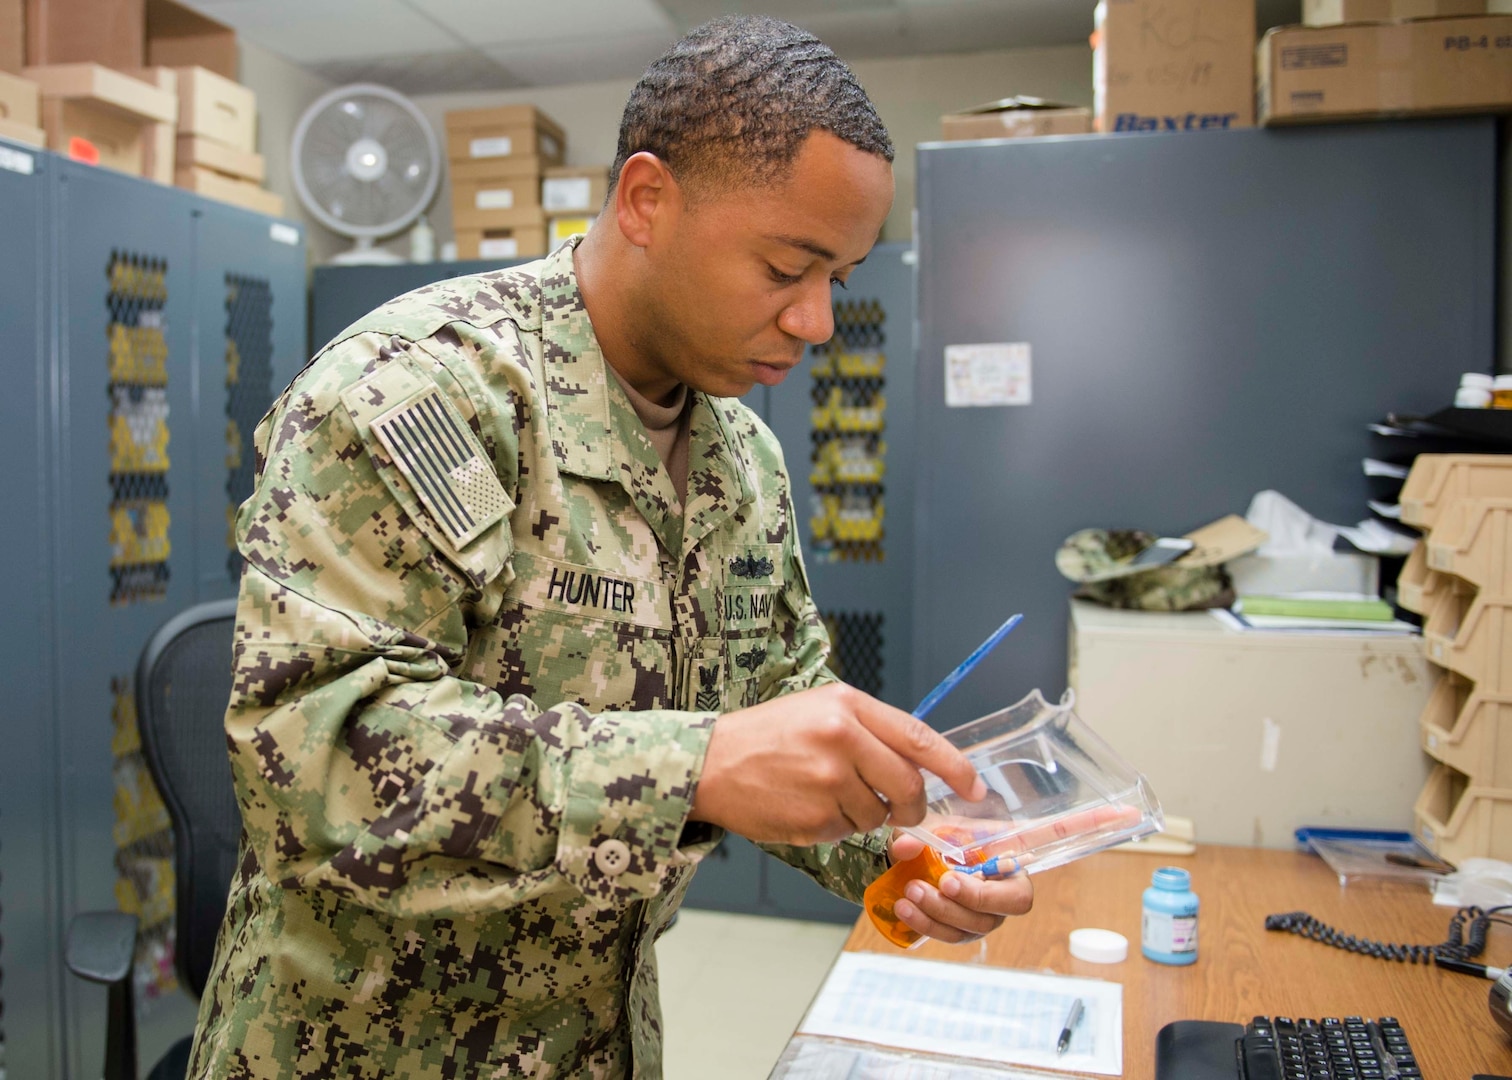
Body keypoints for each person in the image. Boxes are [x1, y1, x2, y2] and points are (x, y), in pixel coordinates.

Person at [189, 16, 1033, 1079]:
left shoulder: (744, 460)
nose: (818, 320)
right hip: (363, 1050)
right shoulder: (422, 393)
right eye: (787, 266)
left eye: (844, 279)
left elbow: (783, 704)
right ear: (645, 201)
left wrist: (908, 853)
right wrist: (699, 767)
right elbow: (317, 768)